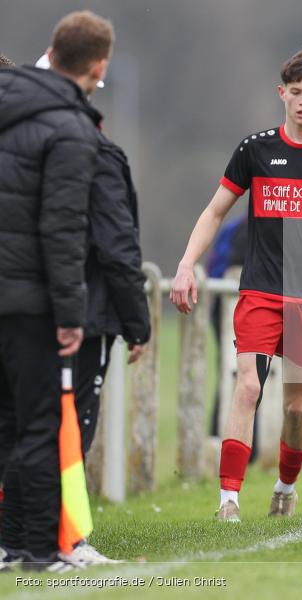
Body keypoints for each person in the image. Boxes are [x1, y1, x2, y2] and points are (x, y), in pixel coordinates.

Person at [170, 47, 302, 522]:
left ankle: (285, 487)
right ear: (282, 94)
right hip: (260, 288)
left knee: (296, 408)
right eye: (295, 92)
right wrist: (186, 264)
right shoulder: (255, 149)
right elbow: (215, 211)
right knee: (247, 387)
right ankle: (229, 500)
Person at [0, 10, 112, 570]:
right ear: (99, 67)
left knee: (5, 424)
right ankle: (40, 549)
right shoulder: (69, 128)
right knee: (40, 426)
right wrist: (72, 315)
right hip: (31, 303)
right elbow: (62, 230)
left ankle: (7, 543)